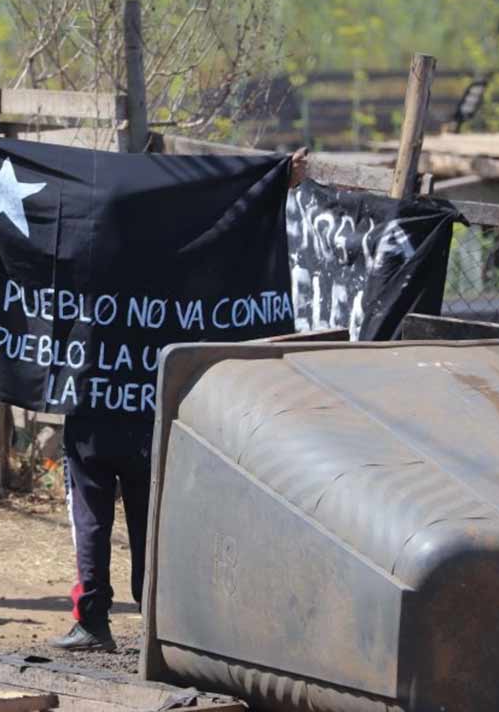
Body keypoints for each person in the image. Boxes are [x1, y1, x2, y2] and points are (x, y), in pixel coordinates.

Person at [50, 146, 312, 651]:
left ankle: (104, 620)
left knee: (99, 522)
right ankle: (150, 622)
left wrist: (278, 182)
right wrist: (276, 182)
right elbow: (228, 225)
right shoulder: (179, 265)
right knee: (143, 523)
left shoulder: (84, 252)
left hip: (104, 408)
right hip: (132, 413)